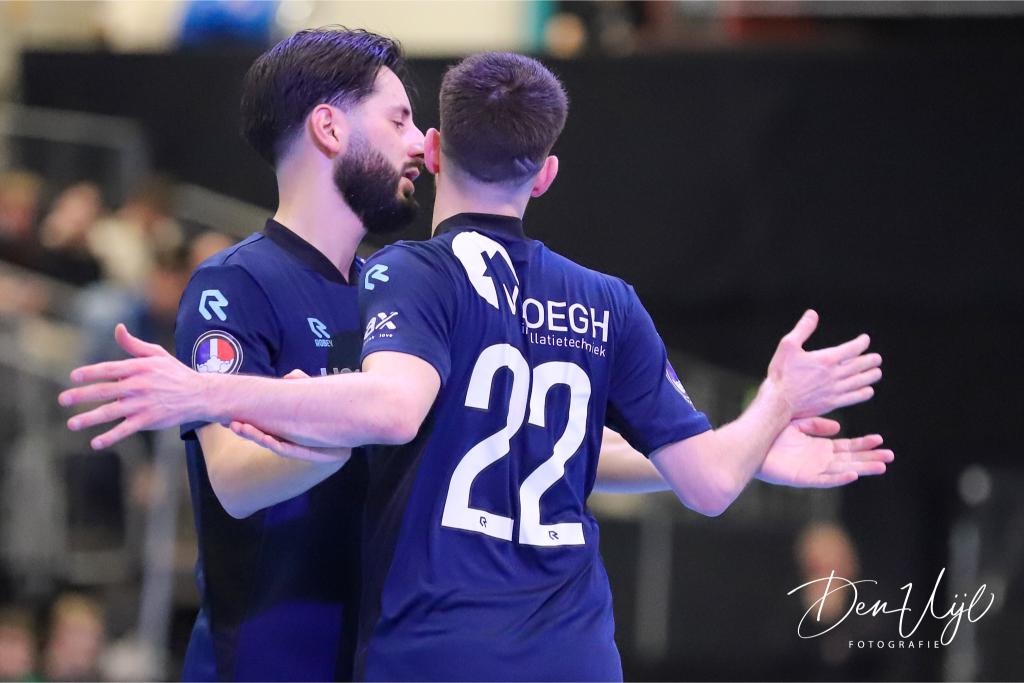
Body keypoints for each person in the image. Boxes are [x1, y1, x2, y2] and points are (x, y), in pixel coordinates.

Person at [60, 51, 890, 680]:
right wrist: (325, 421)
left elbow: (516, 433)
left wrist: (737, 446)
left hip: (396, 643)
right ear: (329, 128)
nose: (413, 144)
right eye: (396, 119)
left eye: (416, 126)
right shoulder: (243, 280)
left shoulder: (408, 282)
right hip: (280, 652)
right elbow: (240, 482)